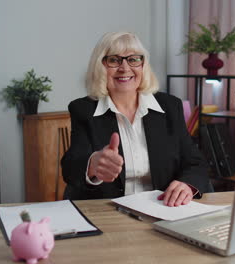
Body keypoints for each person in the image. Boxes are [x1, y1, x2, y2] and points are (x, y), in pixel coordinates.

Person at [61, 32, 213, 207]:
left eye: (133, 59)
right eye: (114, 60)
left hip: (163, 209)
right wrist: (92, 165)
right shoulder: (83, 109)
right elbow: (70, 168)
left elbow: (195, 162)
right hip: (108, 212)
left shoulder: (170, 106)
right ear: (100, 66)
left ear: (143, 65)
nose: (125, 68)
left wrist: (187, 185)